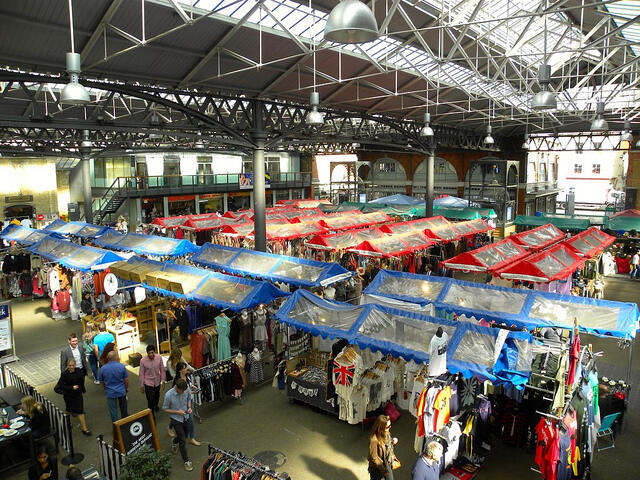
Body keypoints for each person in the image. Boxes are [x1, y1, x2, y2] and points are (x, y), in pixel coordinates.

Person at [163, 378, 194, 471]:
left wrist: (189, 407)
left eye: (185, 390)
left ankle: (174, 441)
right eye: (182, 391)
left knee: (186, 434)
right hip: (176, 419)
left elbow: (189, 397)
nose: (183, 392)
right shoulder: (168, 395)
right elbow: (165, 408)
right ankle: (186, 461)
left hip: (186, 416)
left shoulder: (186, 388)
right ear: (177, 388)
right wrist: (177, 412)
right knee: (182, 439)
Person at [57, 359, 91, 435]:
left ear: (75, 365)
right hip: (69, 396)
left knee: (80, 410)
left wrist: (83, 389)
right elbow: (61, 386)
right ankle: (67, 421)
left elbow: (81, 381)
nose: (71, 367)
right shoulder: (64, 374)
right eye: (70, 365)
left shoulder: (78, 371)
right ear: (67, 366)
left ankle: (84, 429)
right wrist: (71, 388)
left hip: (78, 394)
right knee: (69, 410)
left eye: (73, 365)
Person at [172, 361, 200, 446]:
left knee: (190, 420)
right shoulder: (177, 381)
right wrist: (188, 393)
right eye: (184, 368)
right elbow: (176, 393)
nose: (186, 369)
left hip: (189, 402)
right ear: (180, 370)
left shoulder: (186, 376)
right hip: (181, 404)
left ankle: (191, 438)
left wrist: (192, 386)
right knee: (182, 422)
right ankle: (176, 440)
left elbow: (189, 384)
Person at [97, 351, 129, 422]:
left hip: (110, 392)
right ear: (115, 357)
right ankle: (125, 425)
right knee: (124, 409)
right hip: (121, 391)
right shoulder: (121, 366)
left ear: (108, 358)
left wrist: (105, 388)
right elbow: (126, 380)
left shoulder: (103, 368)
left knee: (113, 411)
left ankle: (116, 428)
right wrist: (126, 388)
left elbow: (101, 381)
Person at [368, 414, 396, 480]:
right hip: (377, 467)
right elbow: (374, 457)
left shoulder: (386, 433)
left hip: (387, 462)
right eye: (388, 426)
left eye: (390, 425)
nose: (390, 427)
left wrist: (392, 442)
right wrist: (384, 471)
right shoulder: (374, 440)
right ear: (381, 428)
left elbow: (387, 445)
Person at [139, 345, 165, 413]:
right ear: (147, 353)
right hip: (148, 383)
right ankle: (151, 416)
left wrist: (163, 381)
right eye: (149, 353)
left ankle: (155, 405)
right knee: (150, 401)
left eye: (152, 352)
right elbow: (141, 373)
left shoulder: (159, 358)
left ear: (154, 352)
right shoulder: (143, 361)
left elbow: (162, 370)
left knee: (157, 397)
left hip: (157, 381)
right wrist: (142, 385)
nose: (151, 354)